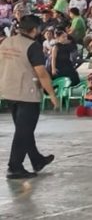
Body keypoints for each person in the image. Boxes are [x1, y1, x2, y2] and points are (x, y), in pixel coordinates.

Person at [0, 14, 57, 179]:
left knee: (23, 129)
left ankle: (36, 159)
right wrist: (52, 94)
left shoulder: (6, 42)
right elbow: (42, 73)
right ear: (34, 29)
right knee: (23, 131)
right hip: (27, 93)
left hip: (8, 91)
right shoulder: (33, 46)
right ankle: (14, 167)